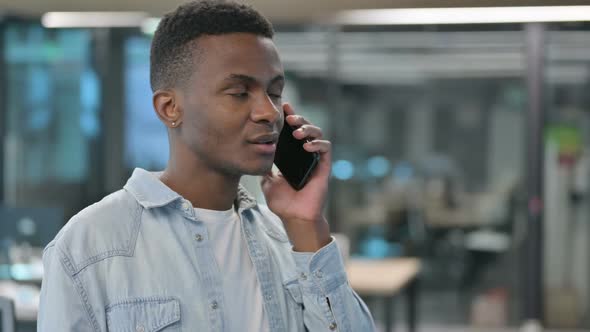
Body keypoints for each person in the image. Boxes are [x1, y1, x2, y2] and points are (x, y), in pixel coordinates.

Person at [37, 1, 376, 331]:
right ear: (170, 108)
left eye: (274, 92)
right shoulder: (88, 248)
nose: (269, 112)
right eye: (240, 93)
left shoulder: (290, 241)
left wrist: (307, 225)